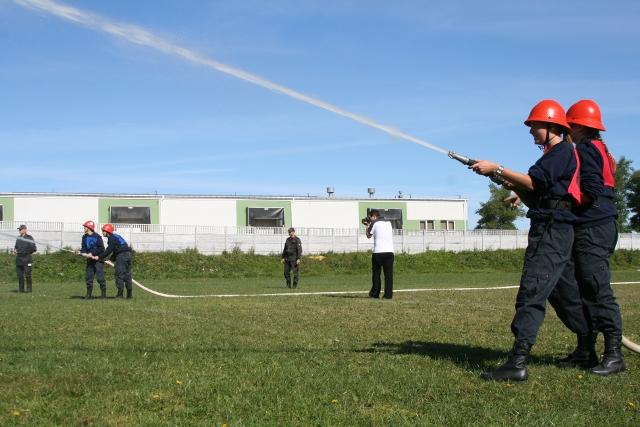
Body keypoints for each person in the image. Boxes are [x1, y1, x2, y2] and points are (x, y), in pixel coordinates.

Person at [471, 99, 591, 381]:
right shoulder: (556, 155)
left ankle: (517, 362)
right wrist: (511, 185)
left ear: (551, 126)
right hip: (556, 228)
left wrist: (497, 168)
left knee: (531, 292)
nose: (530, 132)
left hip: (551, 233)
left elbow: (535, 183)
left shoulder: (561, 152)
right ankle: (587, 350)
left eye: (534, 126)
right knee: (565, 296)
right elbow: (538, 195)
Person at [563, 99, 625, 376]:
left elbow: (590, 189)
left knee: (597, 290)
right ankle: (585, 350)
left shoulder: (586, 149)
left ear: (578, 127)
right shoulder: (602, 149)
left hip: (593, 227)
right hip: (597, 224)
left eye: (569, 126)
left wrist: (563, 200)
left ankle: (614, 355)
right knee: (581, 290)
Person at [94, 224, 133, 299]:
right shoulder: (116, 236)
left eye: (103, 231)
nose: (102, 233)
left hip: (121, 256)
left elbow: (109, 250)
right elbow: (116, 250)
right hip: (128, 255)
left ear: (107, 231)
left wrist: (99, 257)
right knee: (127, 275)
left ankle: (120, 294)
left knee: (119, 274)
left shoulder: (111, 238)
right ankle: (129, 294)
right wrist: (111, 259)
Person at [365, 209, 394, 299]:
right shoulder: (389, 222)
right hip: (390, 252)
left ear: (374, 216)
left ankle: (375, 293)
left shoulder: (374, 223)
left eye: (370, 217)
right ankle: (388, 295)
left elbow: (368, 235)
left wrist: (367, 225)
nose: (370, 219)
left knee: (376, 274)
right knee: (388, 275)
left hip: (378, 252)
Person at [74, 220, 107, 299]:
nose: (84, 228)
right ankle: (89, 295)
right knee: (89, 278)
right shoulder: (84, 237)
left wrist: (92, 253)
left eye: (85, 227)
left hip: (98, 260)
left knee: (100, 278)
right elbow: (84, 249)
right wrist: (79, 252)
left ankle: (103, 295)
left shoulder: (97, 237)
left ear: (89, 228)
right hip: (90, 260)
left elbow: (102, 249)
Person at [12, 224, 37, 293]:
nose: (20, 231)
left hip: (27, 259)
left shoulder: (29, 238)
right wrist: (15, 251)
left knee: (27, 275)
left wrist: (27, 253)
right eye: (19, 229)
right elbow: (16, 247)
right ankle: (21, 289)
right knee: (20, 276)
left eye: (21, 229)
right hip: (19, 259)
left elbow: (34, 248)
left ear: (25, 230)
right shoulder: (18, 238)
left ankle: (29, 290)